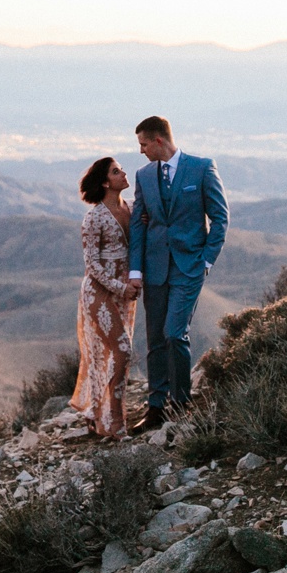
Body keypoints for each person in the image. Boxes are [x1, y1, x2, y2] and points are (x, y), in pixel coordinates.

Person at [127, 115, 229, 433]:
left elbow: (220, 217)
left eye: (143, 144)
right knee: (155, 339)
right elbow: (138, 225)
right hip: (155, 268)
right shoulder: (144, 176)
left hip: (189, 267)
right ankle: (156, 407)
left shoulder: (201, 168)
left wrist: (206, 260)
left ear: (158, 140)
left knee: (175, 332)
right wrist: (135, 270)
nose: (141, 151)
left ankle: (181, 404)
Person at [69, 156, 140, 439]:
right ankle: (113, 420)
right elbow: (92, 266)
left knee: (115, 355)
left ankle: (98, 414)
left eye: (121, 169)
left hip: (124, 293)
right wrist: (120, 288)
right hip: (99, 293)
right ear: (104, 182)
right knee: (119, 350)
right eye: (116, 171)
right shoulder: (94, 218)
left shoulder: (133, 209)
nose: (123, 174)